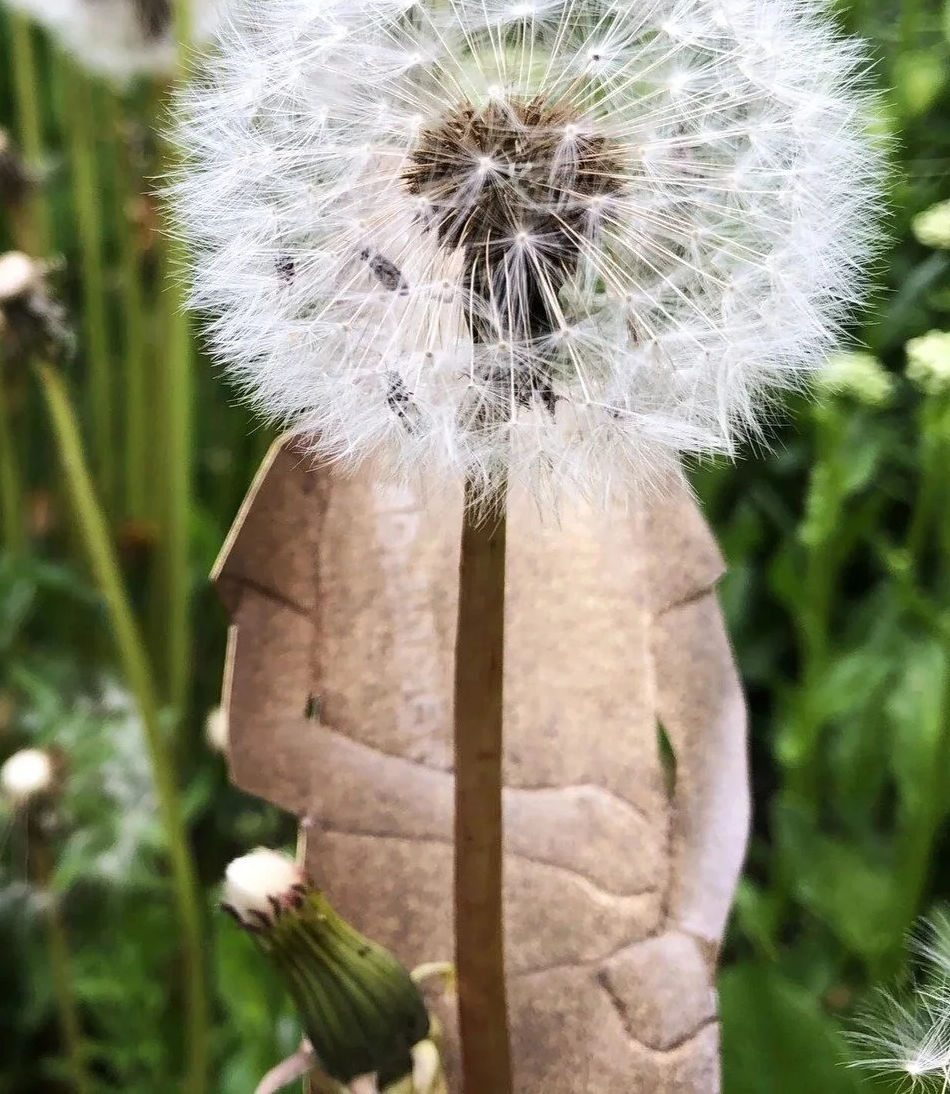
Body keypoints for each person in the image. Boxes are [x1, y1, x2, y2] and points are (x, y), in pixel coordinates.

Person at [214, 437, 750, 1094]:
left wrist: (691, 940)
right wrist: (528, 822)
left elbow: (714, 715)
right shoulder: (320, 462)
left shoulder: (622, 450)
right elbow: (262, 738)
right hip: (400, 1000)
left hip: (620, 1000)